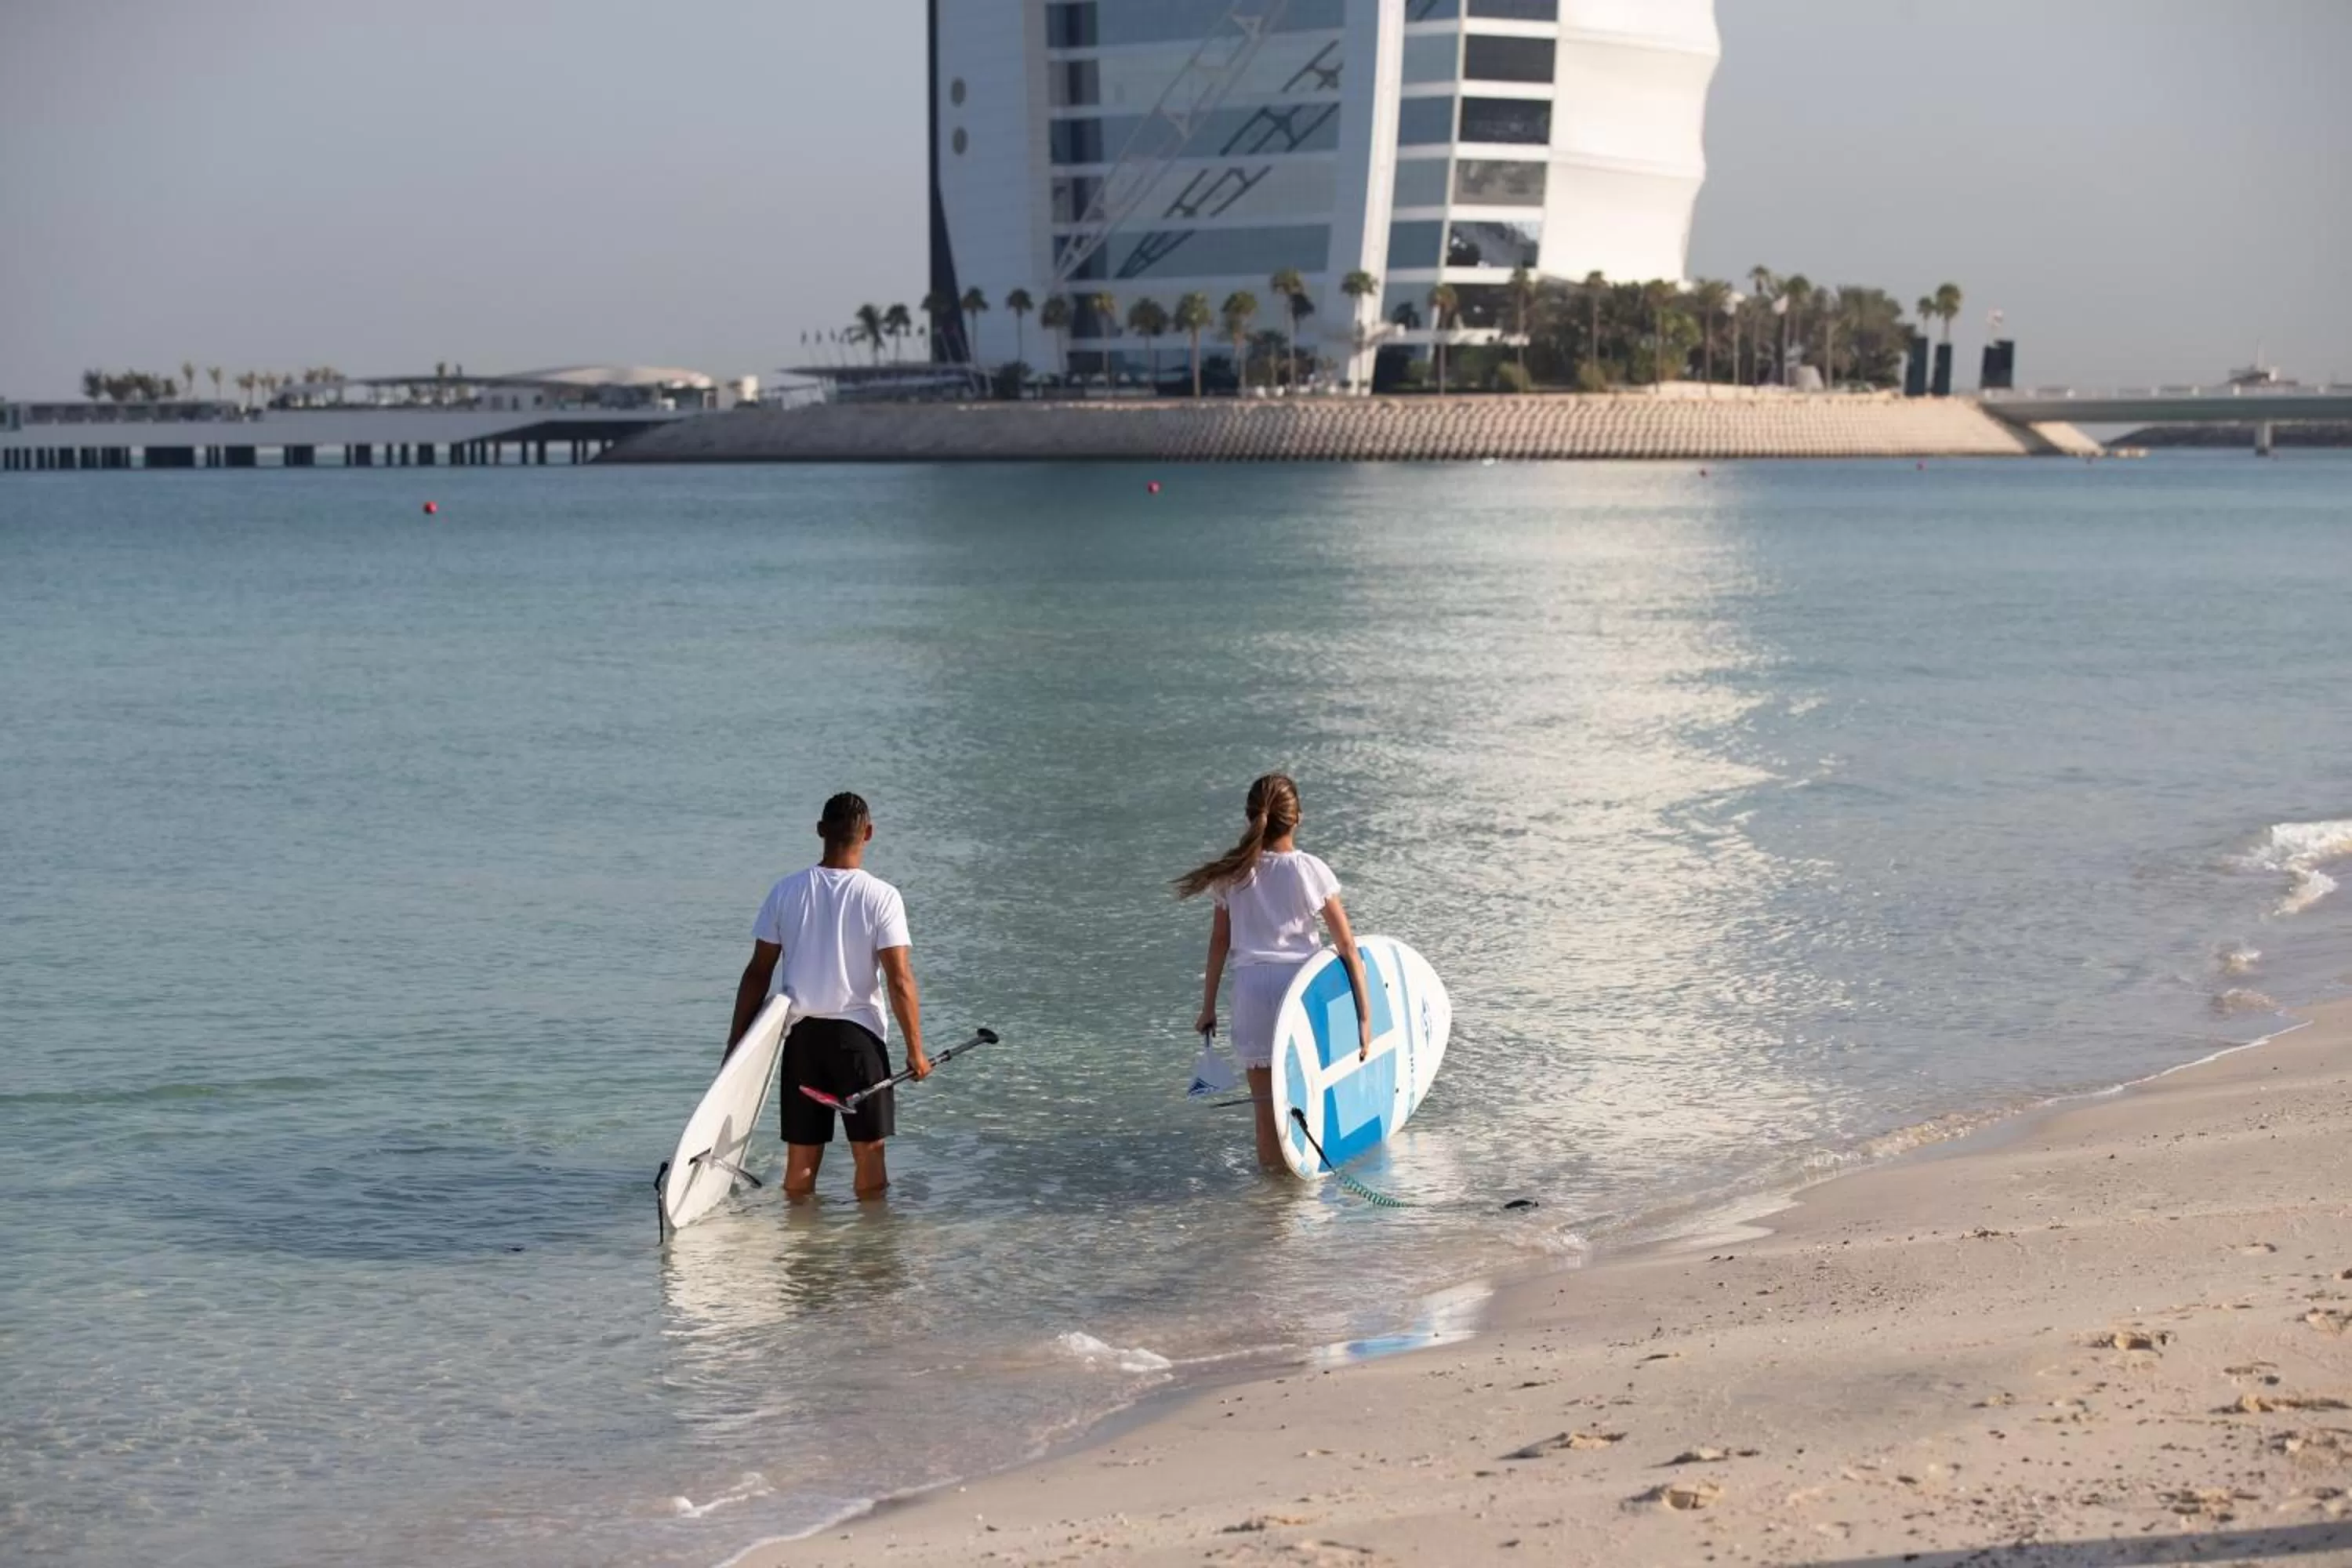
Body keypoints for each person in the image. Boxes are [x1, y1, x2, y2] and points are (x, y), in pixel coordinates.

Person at [730, 792, 929, 1199]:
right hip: (860, 1042)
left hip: (802, 1040)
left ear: (820, 831)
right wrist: (916, 1050)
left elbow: (757, 974)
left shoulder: (785, 891)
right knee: (869, 1158)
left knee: (800, 1166)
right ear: (869, 833)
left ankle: (802, 1257)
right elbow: (900, 980)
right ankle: (873, 1255)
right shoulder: (882, 896)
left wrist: (737, 1045)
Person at [1178, 773, 1370, 1171]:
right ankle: (1308, 1185)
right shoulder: (1309, 870)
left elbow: (1219, 943)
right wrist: (1364, 1019)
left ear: (1251, 818)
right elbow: (1348, 946)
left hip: (1251, 992)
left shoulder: (1234, 874)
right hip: (1299, 990)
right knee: (1310, 1094)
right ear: (1297, 817)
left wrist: (1208, 1007)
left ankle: (1272, 1210)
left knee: (1265, 1112)